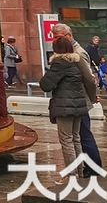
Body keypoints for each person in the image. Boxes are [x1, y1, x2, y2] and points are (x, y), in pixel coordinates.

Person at [39, 36, 98, 181]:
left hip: (65, 107)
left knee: (66, 139)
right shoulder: (76, 62)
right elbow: (88, 80)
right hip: (78, 105)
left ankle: (72, 173)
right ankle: (80, 170)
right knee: (76, 138)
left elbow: (46, 85)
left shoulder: (59, 63)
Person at [51, 23, 102, 170]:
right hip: (77, 100)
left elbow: (89, 78)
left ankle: (93, 169)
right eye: (54, 38)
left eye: (58, 37)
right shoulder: (67, 53)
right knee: (78, 136)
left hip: (79, 101)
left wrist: (92, 96)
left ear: (68, 35)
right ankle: (85, 169)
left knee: (82, 136)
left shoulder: (78, 53)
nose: (55, 40)